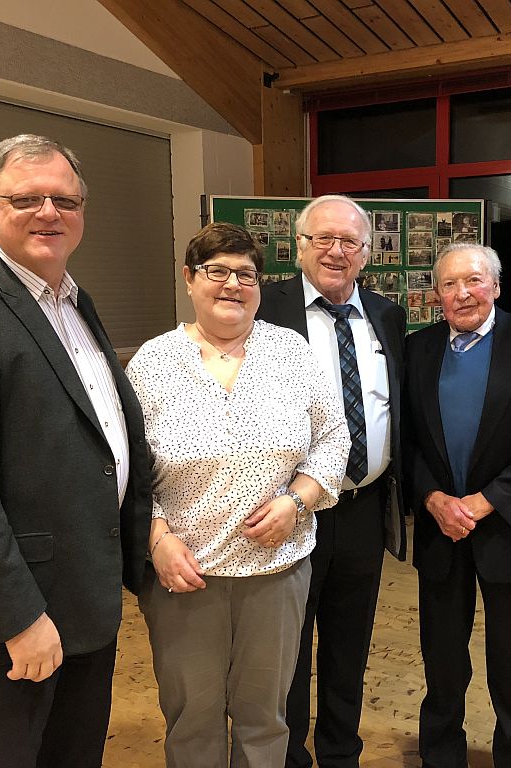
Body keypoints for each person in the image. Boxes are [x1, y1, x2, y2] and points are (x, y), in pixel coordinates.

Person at [0, 134, 152, 767]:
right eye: (27, 199)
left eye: (64, 200)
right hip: (11, 617)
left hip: (81, 597)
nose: (49, 212)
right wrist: (20, 619)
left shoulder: (74, 302)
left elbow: (100, 441)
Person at [126, 222, 349, 767]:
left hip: (277, 572)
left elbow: (334, 437)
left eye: (245, 274)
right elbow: (123, 467)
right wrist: (156, 538)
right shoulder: (153, 362)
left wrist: (297, 500)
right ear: (189, 279)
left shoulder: (290, 352)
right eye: (217, 271)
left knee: (265, 718)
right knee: (191, 718)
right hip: (184, 577)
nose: (232, 284)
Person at [404, 243, 511, 768]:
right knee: (442, 659)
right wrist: (433, 498)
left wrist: (487, 502)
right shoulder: (417, 349)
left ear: (496, 287)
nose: (463, 293)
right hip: (442, 528)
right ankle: (440, 756)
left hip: (510, 527)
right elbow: (407, 441)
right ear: (437, 295)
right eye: (450, 284)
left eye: (474, 281)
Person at [256, 194, 407, 768]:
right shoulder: (265, 310)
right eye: (323, 238)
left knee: (350, 642)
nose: (335, 251)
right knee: (288, 646)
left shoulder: (387, 316)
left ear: (367, 252)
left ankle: (341, 752)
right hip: (290, 508)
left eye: (349, 241)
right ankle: (290, 755)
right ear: (299, 246)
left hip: (364, 506)